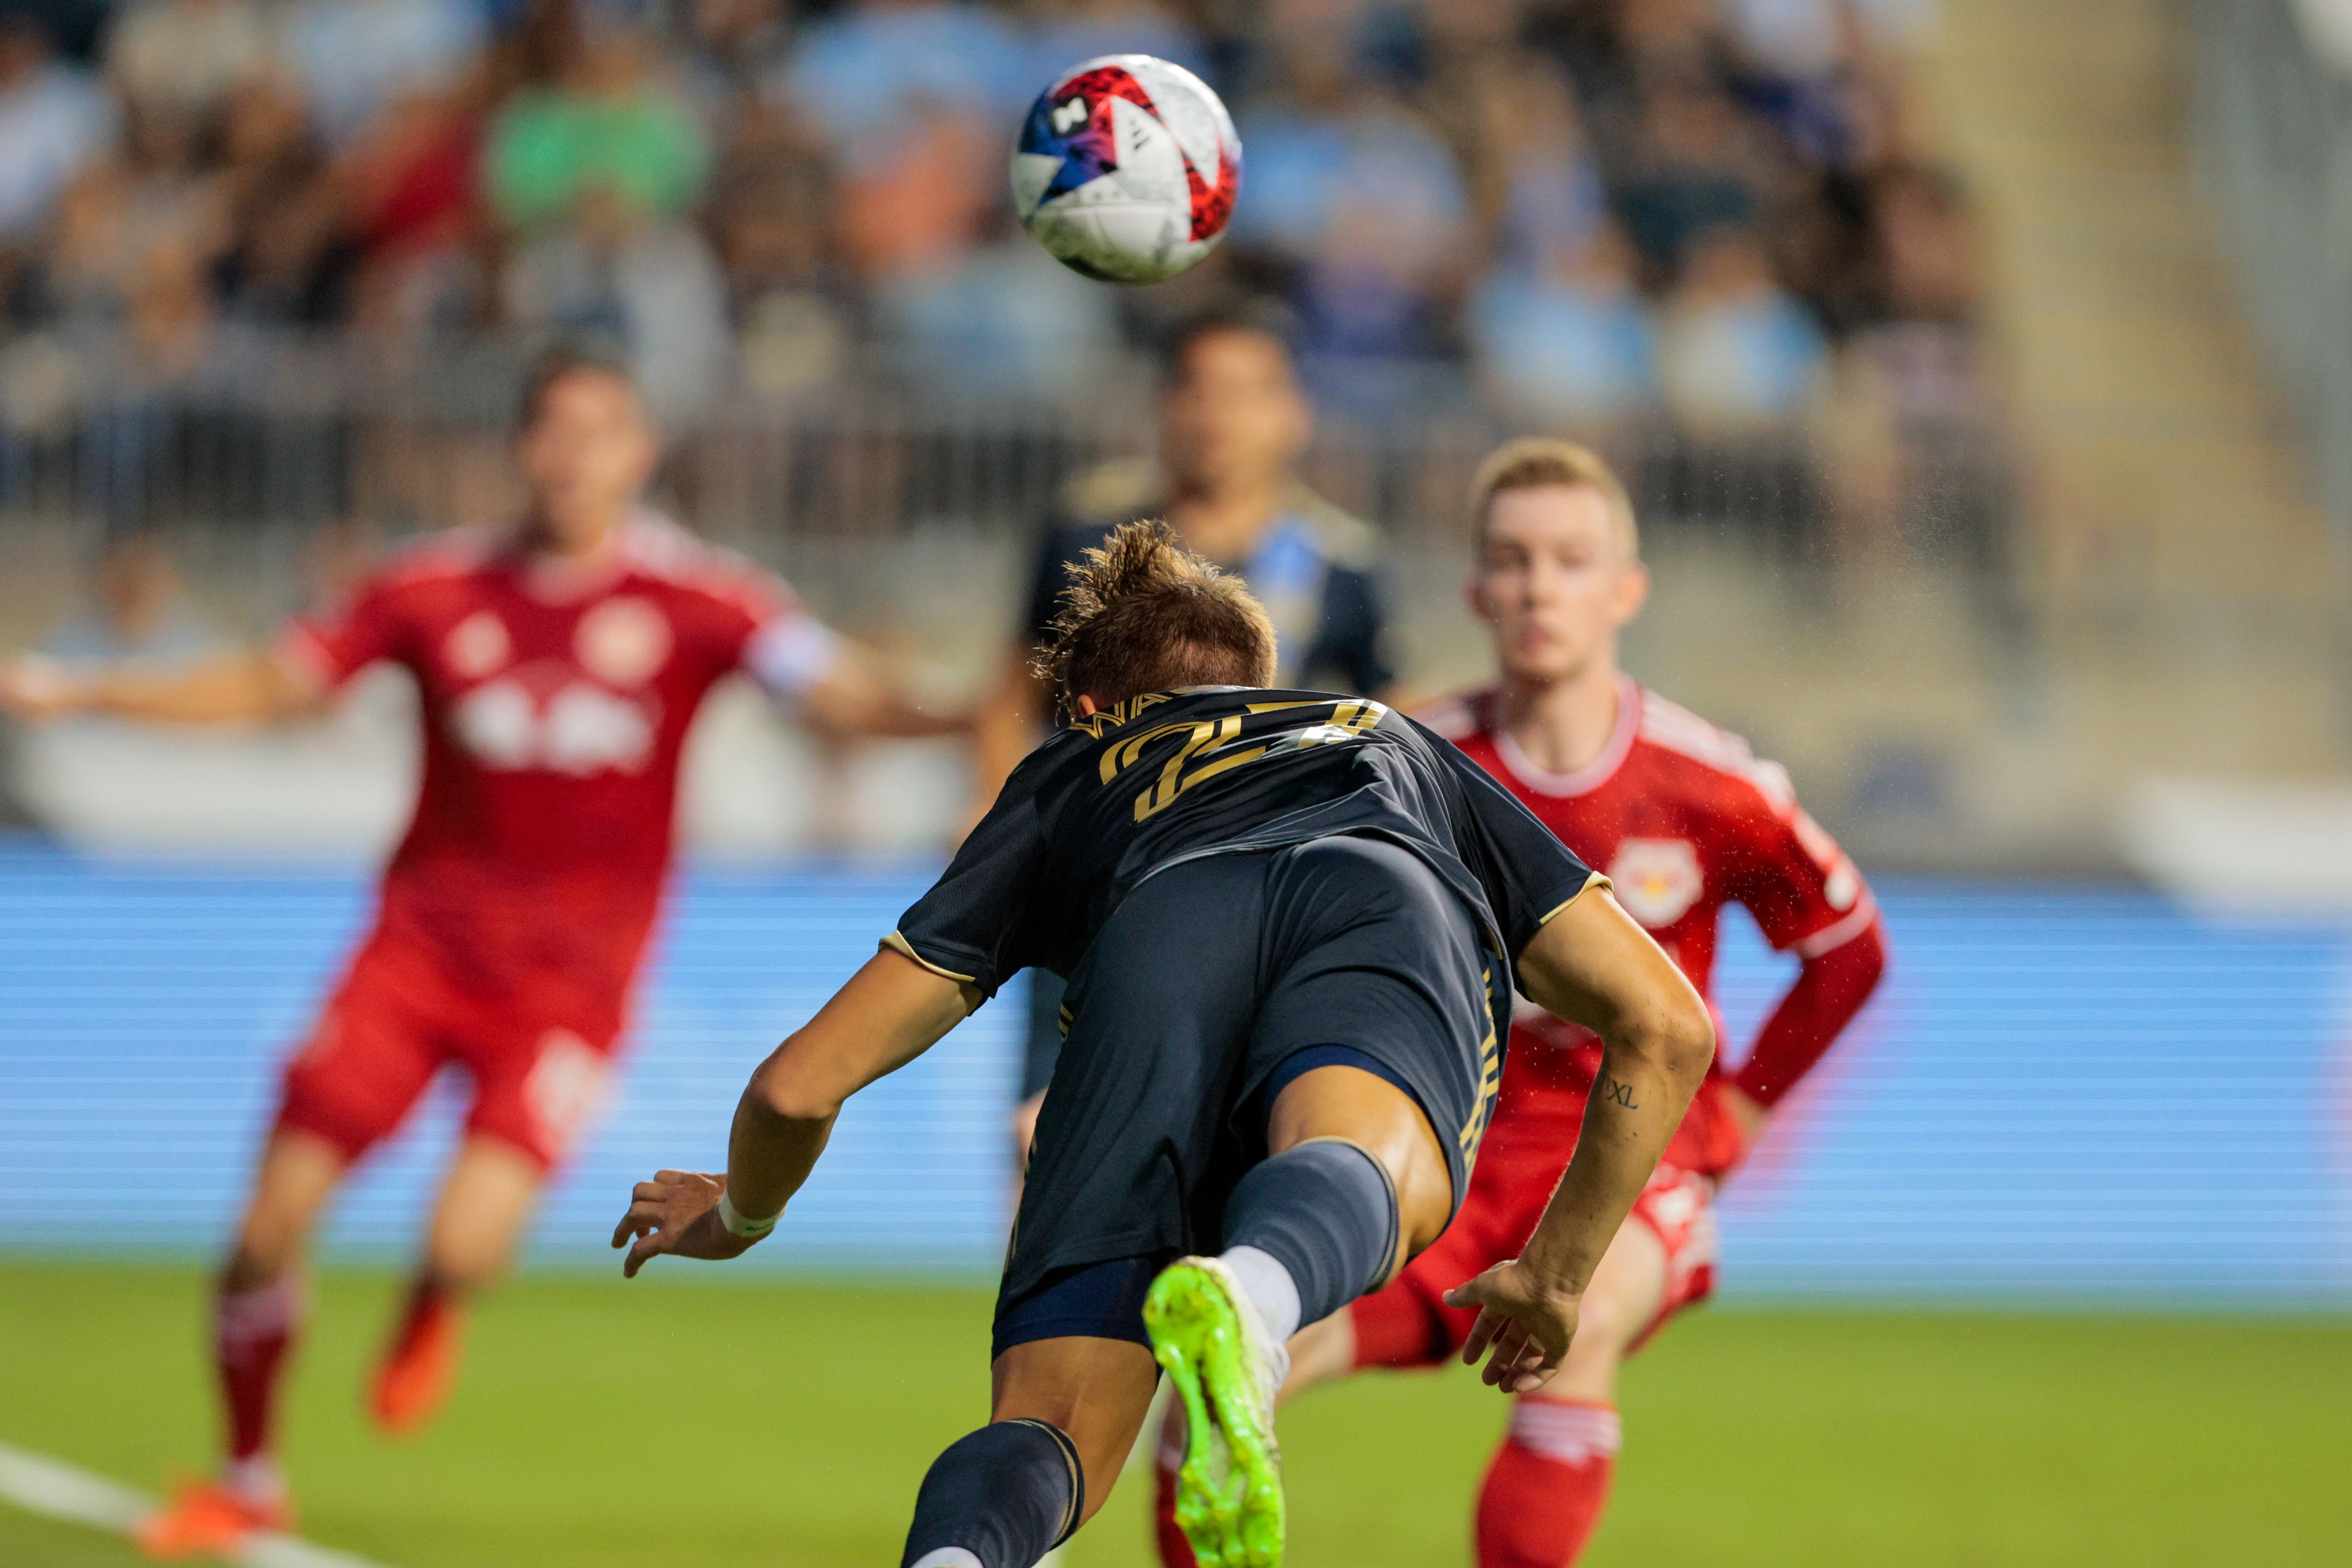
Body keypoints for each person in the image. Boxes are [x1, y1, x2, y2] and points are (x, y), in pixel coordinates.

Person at [0, 345, 963, 1560]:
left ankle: (433, 1301)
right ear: (521, 446)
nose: (571, 457)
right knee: (262, 1227)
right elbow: (273, 682)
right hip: (412, 957)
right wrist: (86, 696)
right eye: (551, 431)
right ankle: (247, 1478)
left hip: (571, 988)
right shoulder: (432, 588)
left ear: (639, 452)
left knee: (466, 1244)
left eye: (598, 431)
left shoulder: (703, 600)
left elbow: (835, 692)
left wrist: (964, 709)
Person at [613, 520, 1717, 1568]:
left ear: (1089, 707)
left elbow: (796, 1088)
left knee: (1050, 1428)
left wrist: (740, 1214)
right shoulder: (1387, 737)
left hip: (1157, 934)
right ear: (1265, 679)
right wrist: (1559, 1274)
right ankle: (1257, 1292)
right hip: (1376, 887)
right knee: (1368, 1160)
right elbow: (1665, 1026)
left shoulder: (1072, 776)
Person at [1149, 438, 1888, 1568]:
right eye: (1514, 559)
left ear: (1624, 589)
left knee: (1575, 1330)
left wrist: (1738, 1111)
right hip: (1443, 1155)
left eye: (1571, 559)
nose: (1542, 584)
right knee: (1229, 1374)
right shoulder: (1405, 761)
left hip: (1626, 1170)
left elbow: (1847, 953)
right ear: (1477, 590)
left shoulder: (1712, 784)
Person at [969, 307, 1396, 1162]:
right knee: (1045, 1146)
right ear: (1165, 405)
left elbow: (1390, 718)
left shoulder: (1337, 564)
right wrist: (995, 821)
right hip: (1089, 891)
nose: (1217, 416)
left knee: (1234, 1158)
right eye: (1198, 390)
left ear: (1293, 414)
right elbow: (1011, 691)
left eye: (1244, 393)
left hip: (1256, 906)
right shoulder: (1089, 537)